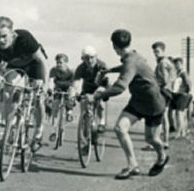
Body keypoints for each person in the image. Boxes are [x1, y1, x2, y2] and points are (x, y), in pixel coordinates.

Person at [95, 29, 168, 179]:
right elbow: (128, 68)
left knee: (151, 139)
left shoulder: (130, 60)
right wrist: (110, 70)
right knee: (120, 128)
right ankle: (132, 165)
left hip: (153, 103)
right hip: (138, 101)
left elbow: (121, 86)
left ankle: (162, 157)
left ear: (114, 47)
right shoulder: (133, 55)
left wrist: (100, 94)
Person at [0, 16, 47, 146]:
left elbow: (42, 61)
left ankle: (39, 129)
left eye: (4, 36)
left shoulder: (25, 38)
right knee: (8, 93)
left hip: (34, 64)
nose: (1, 40)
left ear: (12, 33)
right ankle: (10, 127)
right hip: (16, 66)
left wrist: (45, 85)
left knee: (39, 98)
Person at [71, 46, 109, 132]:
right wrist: (74, 93)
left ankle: (102, 122)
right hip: (87, 88)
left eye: (92, 58)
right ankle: (86, 122)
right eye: (86, 58)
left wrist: (96, 94)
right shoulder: (81, 67)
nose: (90, 60)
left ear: (96, 56)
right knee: (83, 104)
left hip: (100, 85)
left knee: (100, 101)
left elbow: (102, 80)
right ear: (83, 59)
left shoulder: (101, 65)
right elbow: (76, 83)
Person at [148, 41, 176, 150]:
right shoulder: (168, 62)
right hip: (168, 92)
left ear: (163, 51)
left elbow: (163, 80)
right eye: (154, 51)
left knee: (159, 117)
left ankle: (157, 142)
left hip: (163, 91)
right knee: (164, 117)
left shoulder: (162, 63)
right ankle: (165, 141)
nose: (155, 53)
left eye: (157, 51)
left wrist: (154, 85)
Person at [47, 53, 75, 139]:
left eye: (61, 62)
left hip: (68, 88)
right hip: (58, 88)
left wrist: (73, 92)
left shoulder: (71, 72)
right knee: (55, 109)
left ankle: (69, 111)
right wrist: (50, 89)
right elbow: (51, 81)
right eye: (57, 62)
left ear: (66, 63)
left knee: (71, 91)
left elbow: (74, 84)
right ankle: (53, 131)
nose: (58, 64)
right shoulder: (53, 70)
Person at [171, 57, 192, 138]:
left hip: (183, 95)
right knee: (181, 114)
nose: (176, 65)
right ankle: (183, 132)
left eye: (178, 64)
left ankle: (179, 133)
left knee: (179, 114)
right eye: (175, 64)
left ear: (182, 64)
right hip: (181, 95)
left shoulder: (183, 73)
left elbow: (188, 84)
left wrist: (185, 92)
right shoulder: (179, 73)